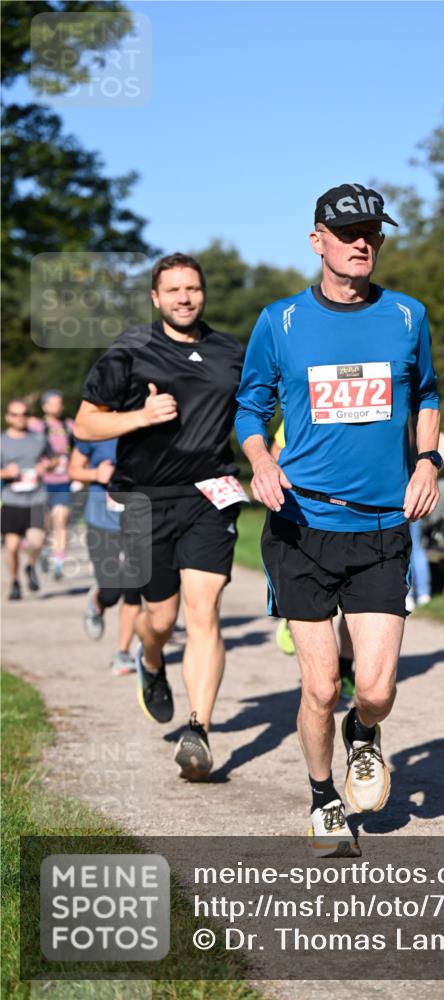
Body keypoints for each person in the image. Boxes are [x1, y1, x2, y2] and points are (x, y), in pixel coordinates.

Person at [236, 182, 442, 855]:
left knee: (375, 690)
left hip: (381, 528)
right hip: (300, 527)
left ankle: (365, 731)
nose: (362, 243)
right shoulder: (281, 321)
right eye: (348, 232)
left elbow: (428, 395)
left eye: (372, 232)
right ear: (316, 240)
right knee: (321, 685)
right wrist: (260, 460)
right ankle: (323, 797)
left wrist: (427, 462)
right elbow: (250, 406)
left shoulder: (407, 316)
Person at [73, 253, 246, 781]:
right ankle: (150, 659)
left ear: (204, 293)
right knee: (161, 620)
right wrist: (141, 417)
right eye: (173, 290)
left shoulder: (231, 352)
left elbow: (255, 413)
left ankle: (199, 730)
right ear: (155, 297)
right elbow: (85, 425)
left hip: (210, 495)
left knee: (204, 611)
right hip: (145, 499)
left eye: (192, 288)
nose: (184, 298)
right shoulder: (130, 350)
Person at [271, 419, 356, 695]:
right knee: (321, 602)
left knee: (357, 606)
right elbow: (277, 450)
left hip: (361, 516)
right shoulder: (311, 402)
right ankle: (297, 619)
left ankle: (346, 666)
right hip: (312, 516)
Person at [69, 439, 142, 675]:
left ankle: (122, 652)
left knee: (133, 588)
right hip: (102, 522)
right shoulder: (96, 430)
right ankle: (98, 601)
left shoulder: (148, 429)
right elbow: (73, 470)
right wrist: (95, 473)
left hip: (139, 522)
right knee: (111, 592)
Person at [1, 400, 51, 599]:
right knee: (12, 547)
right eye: (15, 414)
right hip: (12, 501)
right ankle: (14, 582)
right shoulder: (2, 441)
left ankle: (30, 566)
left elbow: (55, 458)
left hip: (36, 498)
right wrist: (5, 472)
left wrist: (46, 466)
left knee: (36, 542)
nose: (19, 418)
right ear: (7, 417)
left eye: (23, 414)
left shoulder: (39, 439)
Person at [405, 430, 444, 612]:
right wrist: (433, 467)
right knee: (416, 546)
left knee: (405, 547)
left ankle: (408, 594)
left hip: (404, 493)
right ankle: (424, 594)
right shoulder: (422, 435)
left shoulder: (406, 432)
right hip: (418, 492)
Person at [31, 390, 75, 580]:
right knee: (45, 524)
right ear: (45, 406)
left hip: (64, 481)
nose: (59, 406)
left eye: (60, 402)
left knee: (61, 520)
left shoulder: (69, 425)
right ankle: (44, 551)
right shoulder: (36, 426)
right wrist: (42, 465)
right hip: (43, 483)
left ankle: (58, 563)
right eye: (54, 403)